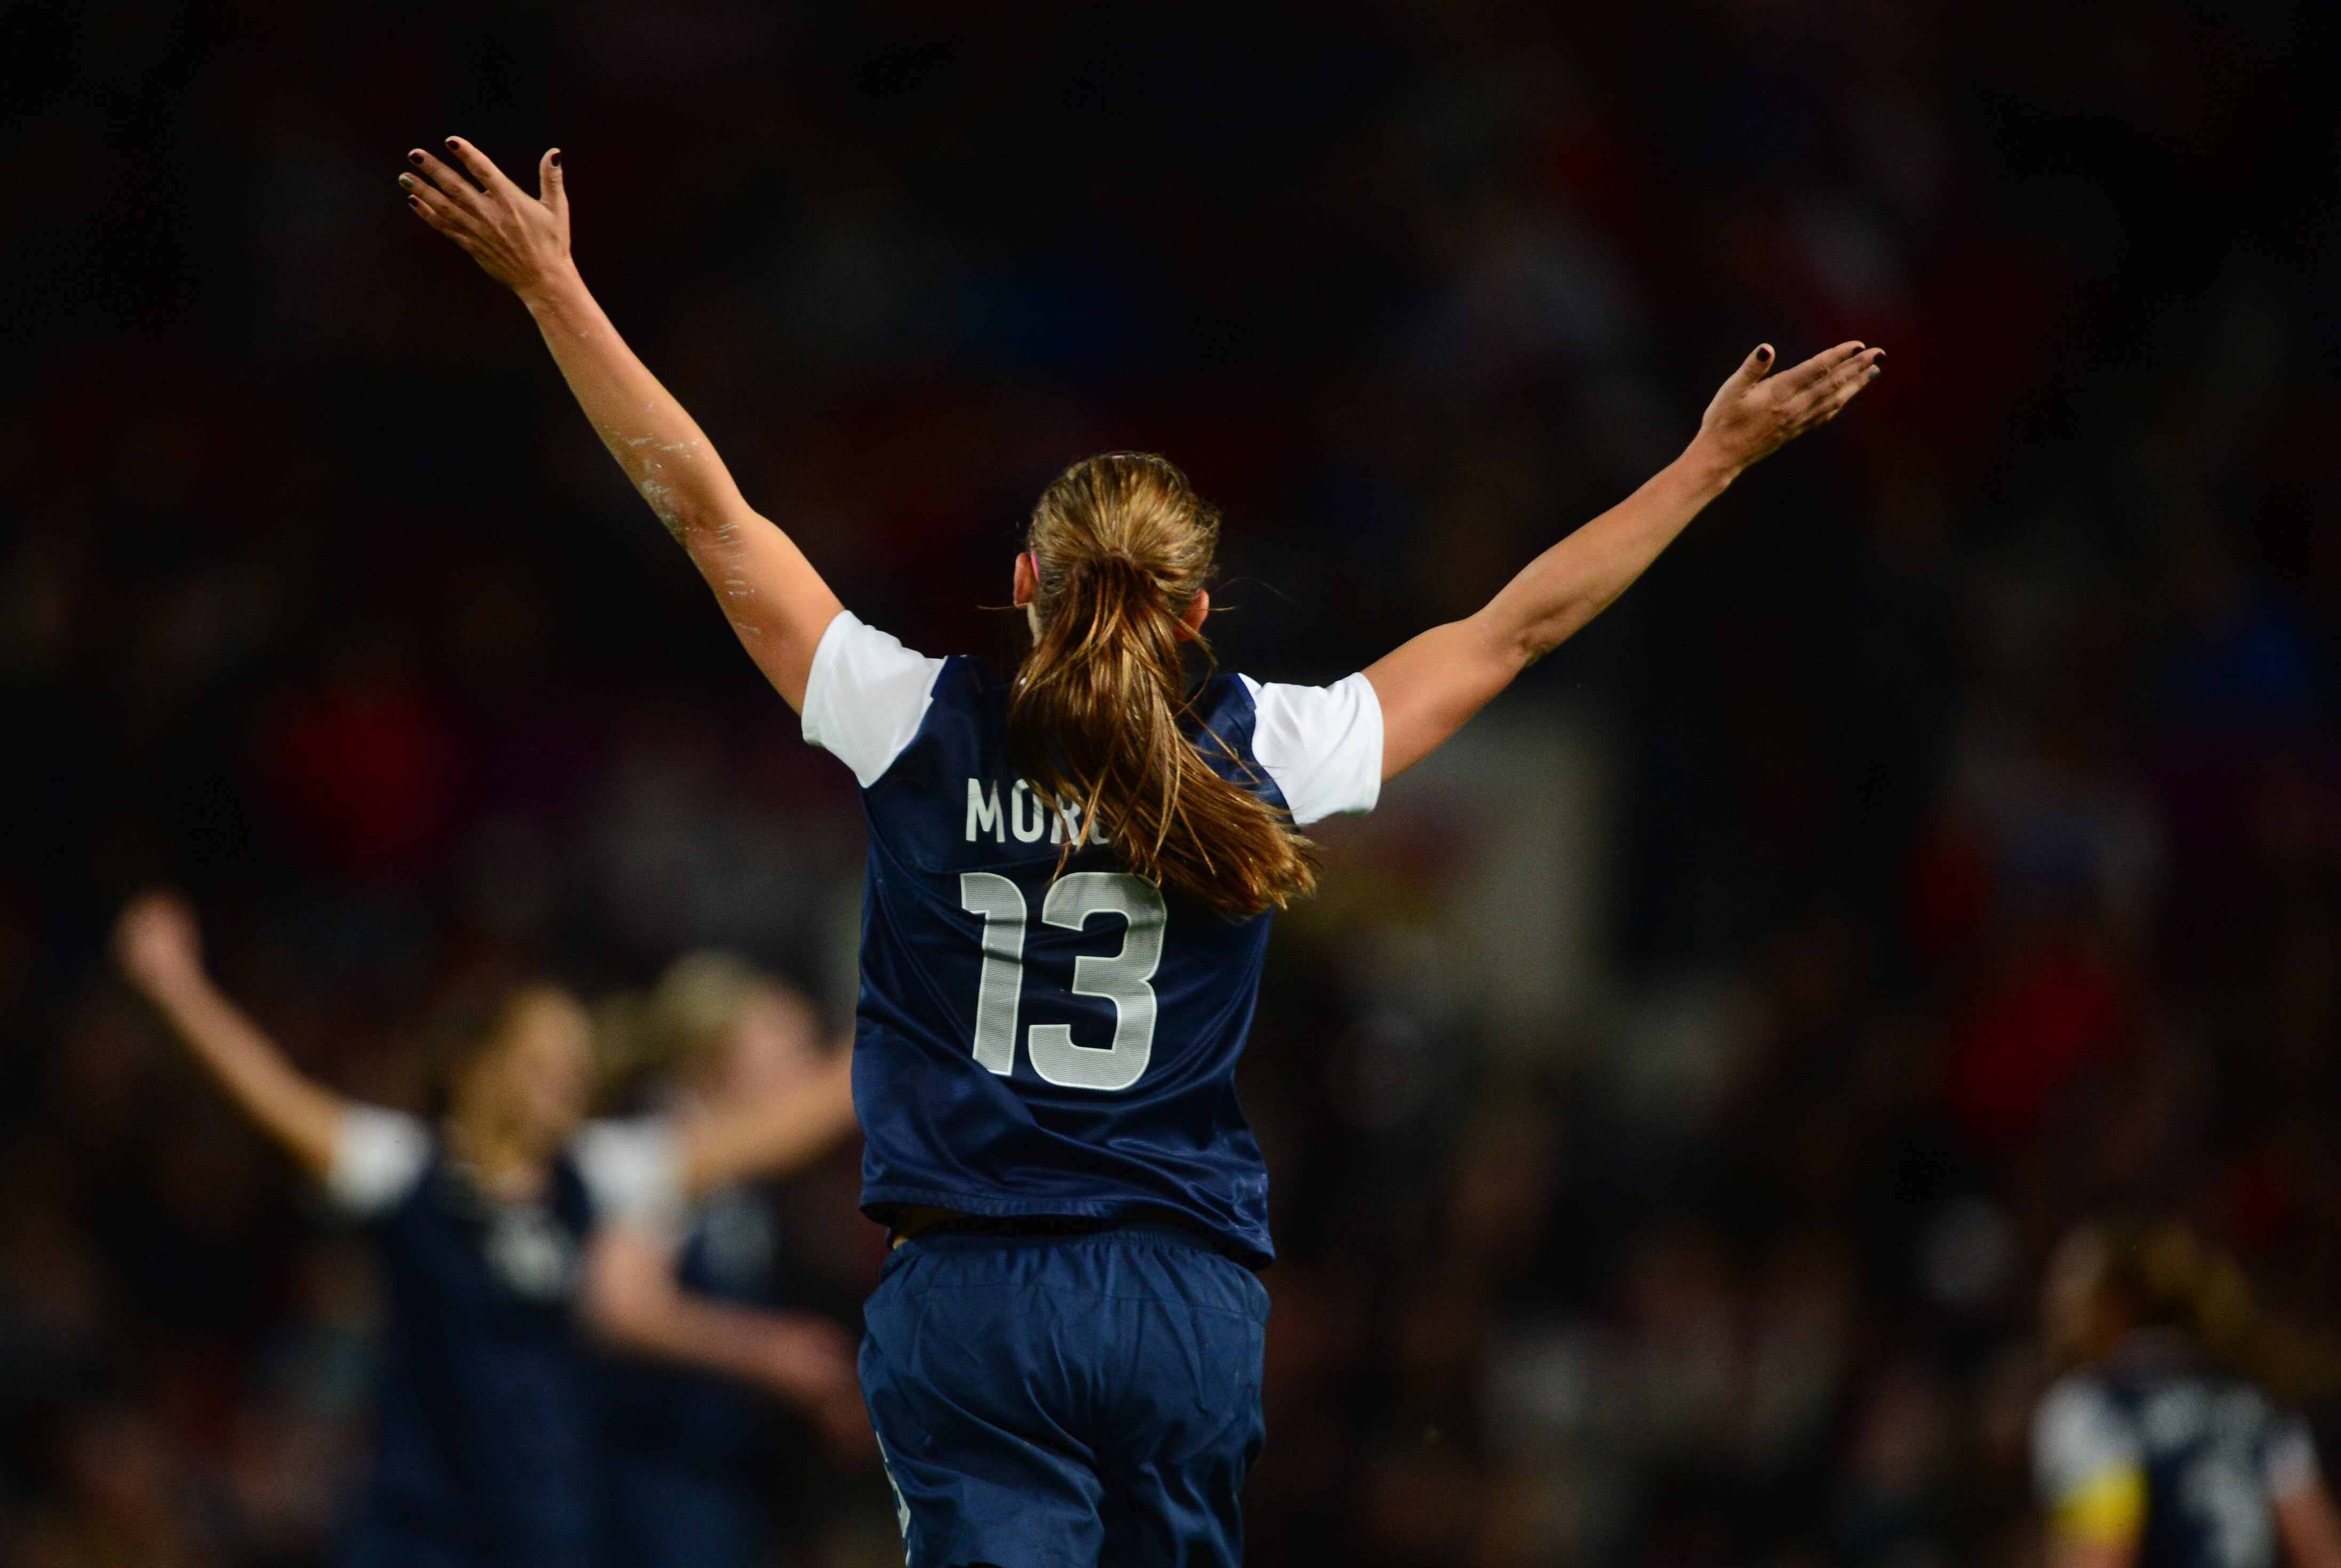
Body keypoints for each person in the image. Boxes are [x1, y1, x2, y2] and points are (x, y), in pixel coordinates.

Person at [397, 135, 1882, 1568]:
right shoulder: (1262, 747)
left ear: (1025, 582)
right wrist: (1705, 463)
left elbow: (708, 517)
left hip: (972, 1288)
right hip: (1181, 1296)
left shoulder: (914, 719)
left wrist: (553, 290)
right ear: (1193, 611)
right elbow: (1516, 631)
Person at [112, 891, 864, 1568]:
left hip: (553, 1527)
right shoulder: (404, 1170)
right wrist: (176, 988)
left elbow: (778, 1130)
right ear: (476, 1063)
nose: (566, 1077)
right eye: (543, 1058)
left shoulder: (599, 1173)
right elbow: (277, 1101)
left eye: (574, 1063)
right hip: (422, 1528)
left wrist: (924, 1003)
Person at [591, 952, 858, 1568]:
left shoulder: (743, 1180)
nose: (804, 1067)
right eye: (787, 1046)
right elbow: (622, 1304)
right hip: (651, 1471)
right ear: (713, 1056)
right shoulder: (659, 1147)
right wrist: (766, 1350)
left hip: (716, 1472)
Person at [2035, 1220, 2341, 1568]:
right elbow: (2321, 1548)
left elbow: (2107, 1552)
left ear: (2116, 1300)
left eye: (2071, 1284)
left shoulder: (2095, 1407)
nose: (2057, 1305)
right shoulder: (2254, 1397)